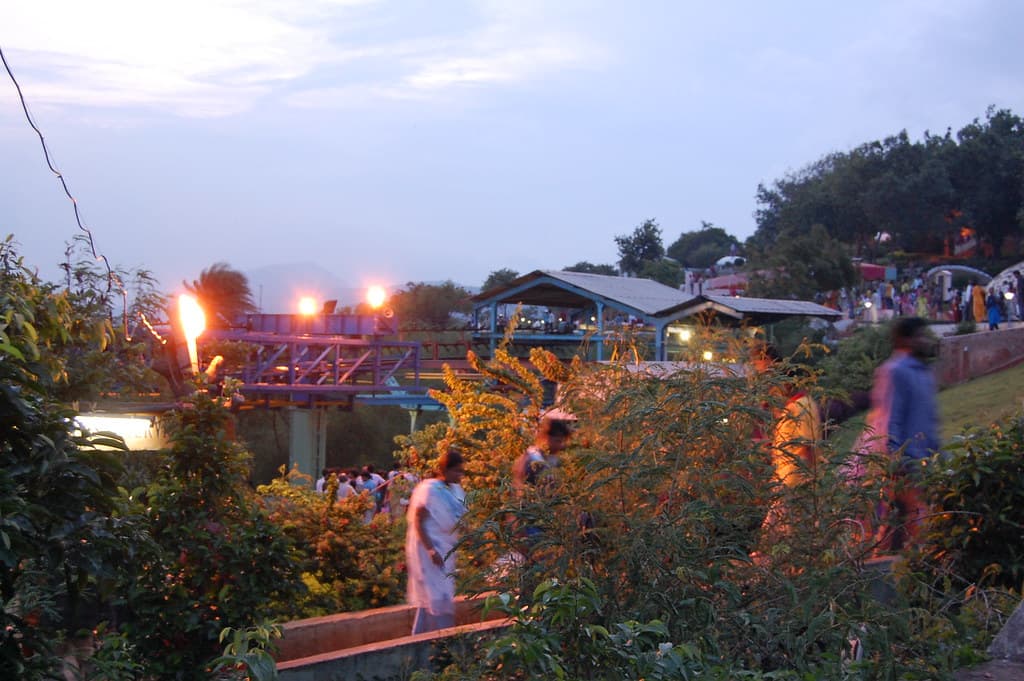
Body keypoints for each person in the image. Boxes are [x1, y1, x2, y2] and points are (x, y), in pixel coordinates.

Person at [863, 317, 939, 551]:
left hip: (926, 465)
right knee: (918, 529)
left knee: (900, 531)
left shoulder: (923, 373)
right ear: (906, 340)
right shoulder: (894, 372)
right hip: (904, 466)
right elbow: (888, 419)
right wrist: (896, 461)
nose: (925, 341)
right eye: (920, 336)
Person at [406, 448, 466, 634]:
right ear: (444, 470)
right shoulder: (430, 489)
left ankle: (419, 639)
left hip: (446, 548)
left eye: (461, 471)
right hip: (430, 549)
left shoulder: (455, 491)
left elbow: (459, 519)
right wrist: (431, 549)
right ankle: (446, 639)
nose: (459, 475)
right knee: (439, 596)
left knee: (433, 598)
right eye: (456, 470)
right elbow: (418, 520)